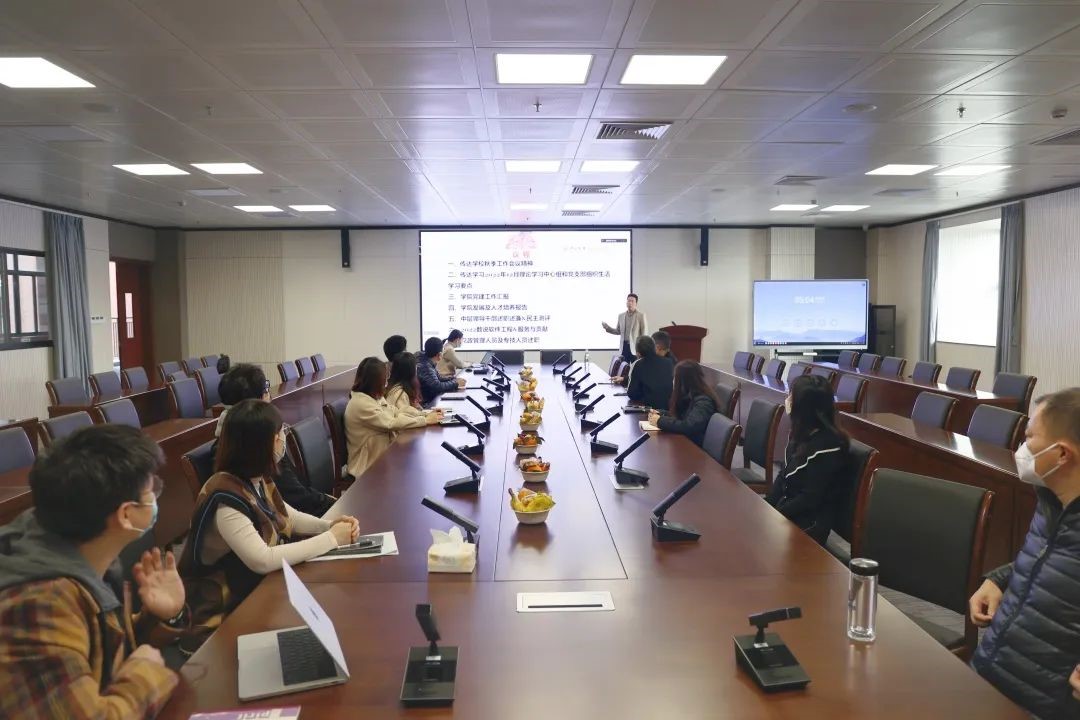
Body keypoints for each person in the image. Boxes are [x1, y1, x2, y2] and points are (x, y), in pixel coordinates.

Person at [0, 425, 188, 718]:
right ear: (126, 514)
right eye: (151, 490)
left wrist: (162, 616)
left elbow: (93, 652)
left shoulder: (83, 550)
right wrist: (146, 673)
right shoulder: (40, 604)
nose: (156, 497)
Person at [178, 400, 360, 653]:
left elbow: (287, 515)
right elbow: (262, 560)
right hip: (219, 619)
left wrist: (329, 526)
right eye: (280, 434)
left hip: (256, 592)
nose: (283, 438)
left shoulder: (255, 477)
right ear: (263, 444)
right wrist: (331, 539)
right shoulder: (225, 498)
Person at [970, 388, 1080, 719]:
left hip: (1044, 704)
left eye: (1030, 436)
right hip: (991, 672)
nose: (1022, 446)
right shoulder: (1050, 500)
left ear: (1061, 454)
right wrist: (1000, 579)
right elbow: (1055, 560)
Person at [217, 363, 334, 517]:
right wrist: (334, 504)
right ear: (254, 405)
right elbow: (296, 499)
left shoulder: (235, 434)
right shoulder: (257, 443)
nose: (269, 396)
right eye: (266, 390)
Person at [764, 374, 850, 546]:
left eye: (791, 397)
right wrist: (765, 506)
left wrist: (774, 515)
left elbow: (809, 499)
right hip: (788, 513)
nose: (788, 399)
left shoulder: (829, 446)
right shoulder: (800, 434)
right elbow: (783, 476)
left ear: (802, 409)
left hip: (809, 526)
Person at [345, 357, 443, 477]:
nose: (387, 382)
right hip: (366, 464)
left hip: (380, 455)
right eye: (384, 379)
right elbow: (391, 423)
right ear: (375, 382)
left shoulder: (374, 397)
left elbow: (396, 411)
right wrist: (424, 420)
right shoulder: (361, 404)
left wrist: (425, 414)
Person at [648, 361, 719, 448]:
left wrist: (660, 421)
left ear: (684, 381)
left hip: (695, 449)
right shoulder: (690, 395)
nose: (673, 380)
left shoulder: (704, 402)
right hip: (688, 443)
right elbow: (682, 416)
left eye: (675, 377)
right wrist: (661, 414)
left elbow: (688, 426)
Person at [386, 352, 440, 421]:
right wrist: (427, 416)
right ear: (411, 370)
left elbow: (414, 412)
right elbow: (406, 418)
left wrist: (429, 413)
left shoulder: (400, 388)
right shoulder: (400, 393)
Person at [626, 335, 674, 411]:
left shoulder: (638, 364)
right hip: (666, 409)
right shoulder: (669, 362)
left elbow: (632, 393)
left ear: (638, 353)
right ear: (655, 347)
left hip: (647, 409)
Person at [418, 336, 465, 406]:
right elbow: (438, 387)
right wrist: (456, 383)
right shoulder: (425, 366)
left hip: (429, 399)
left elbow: (439, 378)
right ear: (439, 354)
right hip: (426, 404)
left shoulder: (427, 361)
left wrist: (454, 379)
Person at [602, 293, 648, 363]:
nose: (630, 303)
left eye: (632, 301)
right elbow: (618, 331)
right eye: (628, 300)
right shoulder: (621, 316)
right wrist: (607, 328)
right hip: (624, 347)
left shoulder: (641, 315)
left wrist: (641, 349)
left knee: (636, 368)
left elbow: (644, 334)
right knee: (624, 367)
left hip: (635, 348)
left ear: (636, 303)